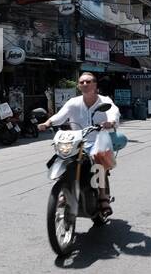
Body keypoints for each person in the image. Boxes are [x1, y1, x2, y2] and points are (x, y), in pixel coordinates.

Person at [38, 71, 120, 219]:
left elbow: (114, 112)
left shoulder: (104, 101)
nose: (84, 84)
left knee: (98, 160)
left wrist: (111, 122)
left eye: (88, 82)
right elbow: (60, 116)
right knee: (60, 156)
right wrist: (48, 122)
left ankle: (102, 197)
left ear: (95, 85)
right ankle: (64, 188)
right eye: (82, 82)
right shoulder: (73, 102)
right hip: (77, 140)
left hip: (98, 139)